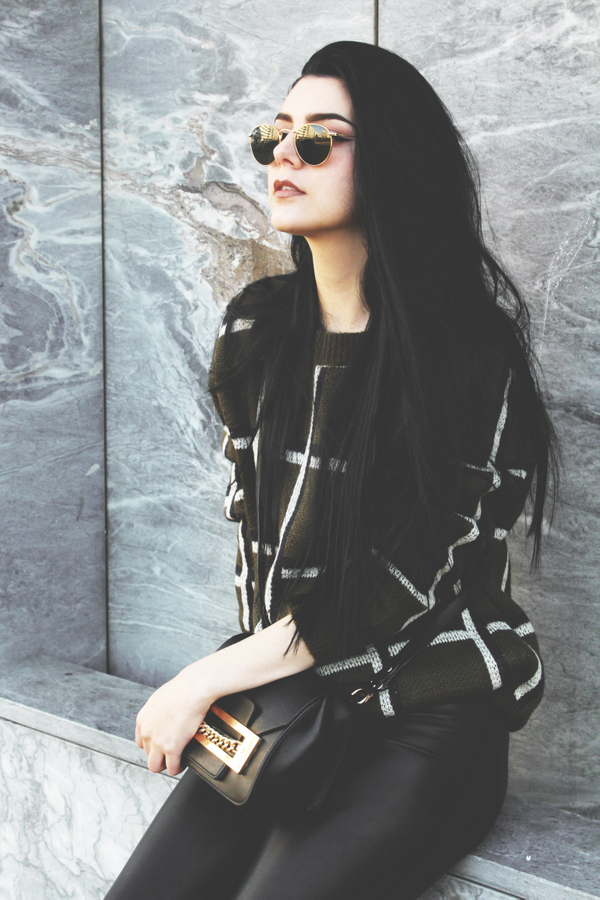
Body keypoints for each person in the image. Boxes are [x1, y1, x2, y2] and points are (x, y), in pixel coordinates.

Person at [105, 41, 558, 900]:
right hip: (292, 699)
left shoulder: (466, 355)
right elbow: (262, 556)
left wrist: (200, 681)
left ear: (391, 162)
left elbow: (391, 591)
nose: (285, 153)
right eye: (275, 134)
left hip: (424, 718)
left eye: (319, 140)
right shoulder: (257, 332)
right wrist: (233, 689)